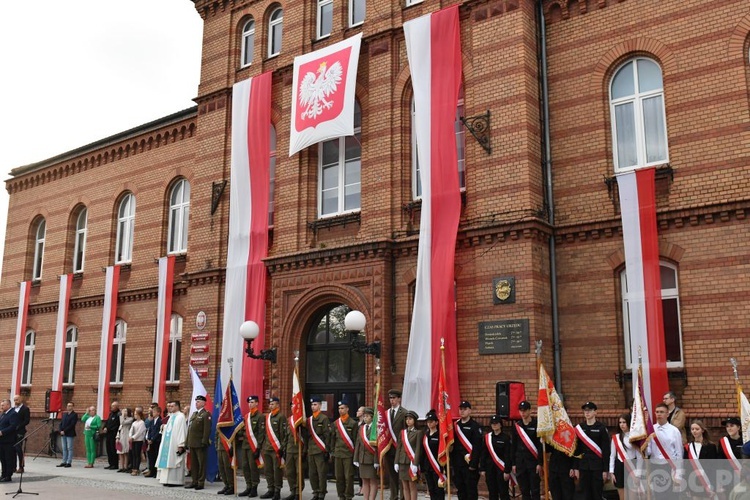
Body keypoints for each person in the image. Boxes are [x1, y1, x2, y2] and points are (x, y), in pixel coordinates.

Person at [572, 401, 610, 500]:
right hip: (583, 466)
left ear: (595, 412)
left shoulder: (601, 428)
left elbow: (606, 450)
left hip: (597, 467)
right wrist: (575, 467)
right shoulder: (580, 428)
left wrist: (606, 470)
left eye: (589, 410)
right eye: (585, 410)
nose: (587, 413)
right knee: (584, 494)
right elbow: (577, 450)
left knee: (597, 493)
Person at [645, 402, 683, 499]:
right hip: (655, 466)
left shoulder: (674, 431)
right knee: (658, 495)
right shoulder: (651, 430)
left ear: (668, 414)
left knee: (671, 495)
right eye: (657, 412)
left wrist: (678, 473)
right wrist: (644, 447)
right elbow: (648, 451)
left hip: (670, 466)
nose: (659, 414)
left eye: (662, 412)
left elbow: (679, 453)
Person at [451, 400, 482, 500]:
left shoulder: (475, 426)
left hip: (469, 465)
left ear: (470, 411)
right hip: (458, 464)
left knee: (471, 491)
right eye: (461, 409)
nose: (462, 411)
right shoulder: (455, 426)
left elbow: (477, 447)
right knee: (460, 490)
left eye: (465, 409)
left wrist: (473, 464)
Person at [511, 401, 541, 500]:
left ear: (530, 411)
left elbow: (540, 445)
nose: (522, 413)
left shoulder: (536, 425)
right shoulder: (517, 426)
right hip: (521, 462)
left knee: (535, 489)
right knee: (524, 490)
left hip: (533, 462)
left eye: (524, 411)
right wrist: (514, 463)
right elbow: (514, 445)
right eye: (521, 411)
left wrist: (539, 463)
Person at [609, 413, 640, 500]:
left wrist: (638, 472)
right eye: (620, 422)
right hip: (619, 467)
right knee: (622, 497)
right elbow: (612, 456)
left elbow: (639, 456)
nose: (622, 425)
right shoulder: (616, 438)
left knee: (633, 497)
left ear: (629, 423)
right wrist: (611, 472)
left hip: (632, 466)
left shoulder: (635, 437)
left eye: (624, 422)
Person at [683, 419, 718, 498]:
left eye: (697, 429)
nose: (694, 431)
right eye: (692, 429)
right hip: (693, 482)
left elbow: (714, 467)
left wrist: (714, 485)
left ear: (702, 430)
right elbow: (686, 467)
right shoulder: (688, 447)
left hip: (707, 481)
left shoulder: (711, 446)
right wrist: (687, 486)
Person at [156, 400, 188, 487]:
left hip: (175, 444)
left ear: (177, 406)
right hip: (168, 443)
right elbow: (170, 428)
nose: (170, 407)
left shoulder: (180, 416)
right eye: (169, 406)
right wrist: (164, 427)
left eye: (172, 406)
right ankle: (166, 480)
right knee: (168, 460)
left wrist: (181, 444)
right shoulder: (171, 416)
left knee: (174, 461)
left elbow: (182, 430)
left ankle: (175, 481)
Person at [480, 415, 512, 500]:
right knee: (492, 492)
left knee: (503, 493)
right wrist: (482, 468)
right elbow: (483, 454)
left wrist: (507, 470)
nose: (494, 425)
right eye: (492, 423)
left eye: (496, 423)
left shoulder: (506, 438)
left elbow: (508, 455)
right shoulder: (487, 438)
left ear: (500, 424)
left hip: (501, 470)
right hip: (490, 469)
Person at [238, 395, 263, 497]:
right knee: (245, 467)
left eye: (252, 402)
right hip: (245, 446)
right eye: (249, 402)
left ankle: (254, 487)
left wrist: (258, 448)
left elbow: (261, 433)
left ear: (257, 403)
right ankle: (248, 486)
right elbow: (242, 431)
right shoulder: (246, 416)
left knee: (253, 467)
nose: (250, 404)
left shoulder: (260, 416)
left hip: (254, 446)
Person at [332, 400, 359, 500]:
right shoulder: (335, 423)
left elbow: (356, 439)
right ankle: (341, 495)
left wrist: (355, 455)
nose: (340, 410)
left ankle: (348, 496)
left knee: (349, 477)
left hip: (348, 454)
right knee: (339, 477)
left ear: (347, 409)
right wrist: (332, 451)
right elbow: (333, 438)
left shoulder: (353, 423)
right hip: (338, 453)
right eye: (339, 408)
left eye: (342, 408)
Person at [260, 396, 286, 500]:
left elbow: (283, 434)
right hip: (266, 448)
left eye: (273, 404)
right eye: (270, 404)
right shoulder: (267, 417)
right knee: (268, 470)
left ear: (278, 405)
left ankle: (277, 490)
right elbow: (264, 434)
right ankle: (270, 489)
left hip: (276, 449)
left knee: (277, 471)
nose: (271, 405)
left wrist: (282, 448)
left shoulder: (281, 417)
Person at [185, 394, 212, 490]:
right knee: (194, 464)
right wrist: (187, 442)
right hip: (192, 443)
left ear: (204, 403)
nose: (196, 403)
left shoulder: (206, 414)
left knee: (201, 464)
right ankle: (194, 481)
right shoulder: (194, 414)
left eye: (199, 401)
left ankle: (200, 482)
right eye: (196, 401)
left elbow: (207, 430)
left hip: (200, 443)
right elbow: (190, 429)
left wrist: (204, 441)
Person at [384, 389, 407, 500]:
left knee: (401, 475)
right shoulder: (386, 413)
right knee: (392, 475)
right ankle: (393, 496)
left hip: (400, 448)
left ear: (399, 399)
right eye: (390, 398)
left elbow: (405, 432)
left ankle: (402, 496)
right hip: (389, 448)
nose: (392, 400)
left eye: (394, 398)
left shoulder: (404, 413)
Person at [307, 396, 331, 500]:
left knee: (321, 473)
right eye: (312, 405)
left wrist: (327, 450)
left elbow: (327, 435)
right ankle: (315, 491)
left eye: (315, 404)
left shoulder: (324, 418)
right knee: (312, 473)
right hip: (311, 450)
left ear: (320, 406)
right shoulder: (309, 420)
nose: (313, 406)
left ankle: (322, 492)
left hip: (320, 450)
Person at [394, 410, 421, 500]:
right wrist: (396, 462)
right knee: (404, 485)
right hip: (402, 461)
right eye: (407, 419)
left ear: (414, 420)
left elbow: (418, 449)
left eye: (410, 419)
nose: (408, 421)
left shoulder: (418, 433)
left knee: (412, 486)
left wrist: (415, 464)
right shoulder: (402, 433)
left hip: (411, 463)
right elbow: (399, 448)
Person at [283, 400, 307, 500]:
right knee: (289, 472)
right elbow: (285, 436)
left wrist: (305, 451)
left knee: (298, 472)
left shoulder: (302, 421)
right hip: (289, 450)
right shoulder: (289, 420)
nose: (293, 407)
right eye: (291, 405)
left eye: (294, 405)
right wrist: (284, 449)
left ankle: (298, 492)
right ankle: (292, 491)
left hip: (299, 450)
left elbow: (306, 437)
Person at [354, 407, 379, 500]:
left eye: (367, 416)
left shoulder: (375, 428)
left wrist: (377, 461)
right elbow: (358, 444)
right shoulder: (362, 428)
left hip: (371, 459)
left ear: (372, 417)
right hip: (362, 458)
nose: (365, 418)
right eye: (364, 416)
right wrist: (356, 458)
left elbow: (378, 447)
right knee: (364, 481)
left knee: (372, 481)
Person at [420, 410, 445, 500]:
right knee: (431, 489)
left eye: (431, 421)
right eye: (428, 422)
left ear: (436, 422)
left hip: (437, 466)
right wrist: (422, 466)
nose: (429, 424)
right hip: (427, 466)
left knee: (439, 489)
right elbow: (422, 452)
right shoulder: (425, 435)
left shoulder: (440, 435)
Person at [0, 399, 19, 483]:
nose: (1, 407)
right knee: (2, 458)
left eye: (3, 405)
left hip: (8, 440)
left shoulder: (13, 414)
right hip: (1, 441)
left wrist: (2, 432)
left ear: (8, 405)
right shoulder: (3, 414)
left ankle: (8, 475)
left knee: (8, 458)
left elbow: (13, 426)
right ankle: (3, 474)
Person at [216, 418, 235, 496]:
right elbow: (217, 434)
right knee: (221, 468)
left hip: (226, 448)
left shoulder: (230, 419)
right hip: (220, 447)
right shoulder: (220, 420)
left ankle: (231, 486)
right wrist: (216, 446)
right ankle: (226, 485)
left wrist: (232, 447)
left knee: (227, 468)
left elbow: (234, 434)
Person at [12, 395, 29, 474]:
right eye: (14, 400)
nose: (16, 401)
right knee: (12, 449)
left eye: (17, 399)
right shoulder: (13, 409)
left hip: (20, 431)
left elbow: (26, 420)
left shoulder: (25, 409)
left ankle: (21, 466)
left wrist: (19, 426)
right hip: (12, 432)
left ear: (21, 399)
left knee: (18, 449)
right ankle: (13, 466)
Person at [58, 402, 78, 468]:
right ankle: (64, 461)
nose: (69, 407)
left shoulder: (74, 415)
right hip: (63, 433)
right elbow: (61, 423)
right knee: (64, 448)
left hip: (69, 433)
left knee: (69, 448)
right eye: (68, 406)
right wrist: (60, 430)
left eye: (70, 406)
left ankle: (69, 462)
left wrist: (65, 431)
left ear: (73, 407)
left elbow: (72, 425)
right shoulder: (64, 414)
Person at [145, 405, 162, 478]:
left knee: (156, 456)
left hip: (156, 441)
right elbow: (150, 430)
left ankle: (156, 472)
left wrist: (152, 439)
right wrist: (148, 439)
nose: (153, 413)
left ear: (158, 413)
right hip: (150, 442)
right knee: (151, 457)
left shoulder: (160, 421)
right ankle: (151, 471)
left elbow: (158, 432)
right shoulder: (152, 421)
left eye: (154, 412)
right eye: (152, 412)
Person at [103, 400, 121, 470]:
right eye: (112, 406)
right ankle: (110, 463)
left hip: (114, 434)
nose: (112, 407)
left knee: (113, 450)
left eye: (113, 406)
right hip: (108, 434)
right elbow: (107, 422)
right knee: (109, 449)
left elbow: (117, 424)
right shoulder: (111, 414)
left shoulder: (119, 414)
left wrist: (109, 429)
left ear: (117, 407)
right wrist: (104, 427)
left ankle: (115, 464)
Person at [129, 408, 147, 476]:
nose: (135, 415)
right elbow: (131, 430)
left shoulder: (142, 423)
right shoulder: (134, 423)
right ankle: (133, 467)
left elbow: (139, 432)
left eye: (136, 414)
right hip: (133, 440)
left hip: (138, 440)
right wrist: (130, 436)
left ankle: (136, 468)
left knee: (137, 454)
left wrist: (133, 437)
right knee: (133, 454)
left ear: (139, 415)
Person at [117, 407, 133, 472]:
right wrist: (117, 437)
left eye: (126, 411)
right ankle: (122, 466)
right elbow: (119, 429)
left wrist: (122, 415)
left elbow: (122, 423)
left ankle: (126, 466)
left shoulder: (130, 419)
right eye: (124, 411)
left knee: (126, 452)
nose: (124, 412)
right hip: (121, 436)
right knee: (120, 452)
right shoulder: (123, 418)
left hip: (126, 436)